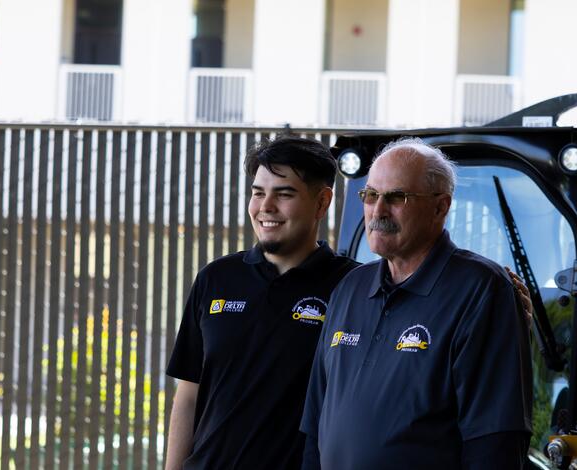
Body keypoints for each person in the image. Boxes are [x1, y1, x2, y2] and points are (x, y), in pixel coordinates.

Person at [301, 138, 533, 469]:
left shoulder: (481, 290)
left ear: (441, 207)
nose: (378, 211)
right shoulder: (349, 289)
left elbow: (495, 440)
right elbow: (315, 425)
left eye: (396, 197)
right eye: (370, 195)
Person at [164, 136, 359, 469]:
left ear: (322, 202)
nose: (265, 207)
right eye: (257, 193)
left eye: (284, 194)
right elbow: (188, 396)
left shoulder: (352, 287)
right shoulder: (216, 278)